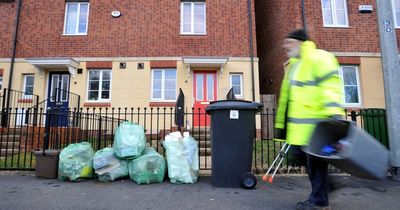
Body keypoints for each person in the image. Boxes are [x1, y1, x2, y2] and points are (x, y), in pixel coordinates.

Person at [274, 29, 345, 210]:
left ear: (300, 42)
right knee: (299, 157)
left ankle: (319, 201)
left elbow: (330, 88)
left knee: (316, 163)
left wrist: (334, 116)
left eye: (289, 42)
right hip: (300, 130)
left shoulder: (320, 58)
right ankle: (327, 185)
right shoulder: (295, 66)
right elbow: (287, 99)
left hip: (318, 126)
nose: (285, 46)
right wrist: (282, 126)